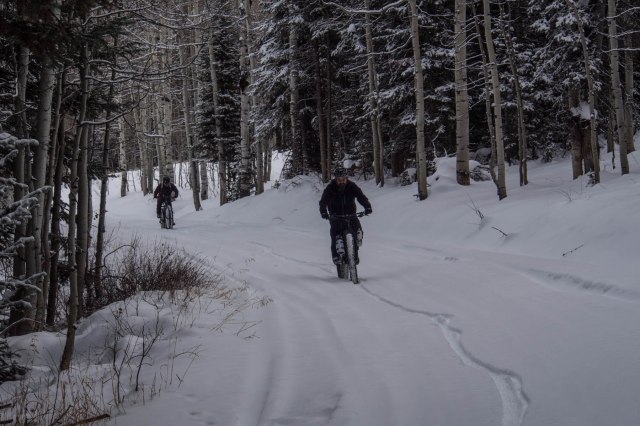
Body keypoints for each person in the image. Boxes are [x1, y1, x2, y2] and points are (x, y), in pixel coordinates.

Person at [319, 167, 372, 264]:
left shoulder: (351, 186)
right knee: (335, 235)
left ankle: (354, 256)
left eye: (344, 179)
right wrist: (323, 212)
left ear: (346, 178)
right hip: (336, 217)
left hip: (351, 215)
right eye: (339, 180)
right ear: (336, 179)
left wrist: (367, 207)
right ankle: (336, 257)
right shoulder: (331, 188)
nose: (342, 182)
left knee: (358, 232)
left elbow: (361, 197)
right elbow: (323, 202)